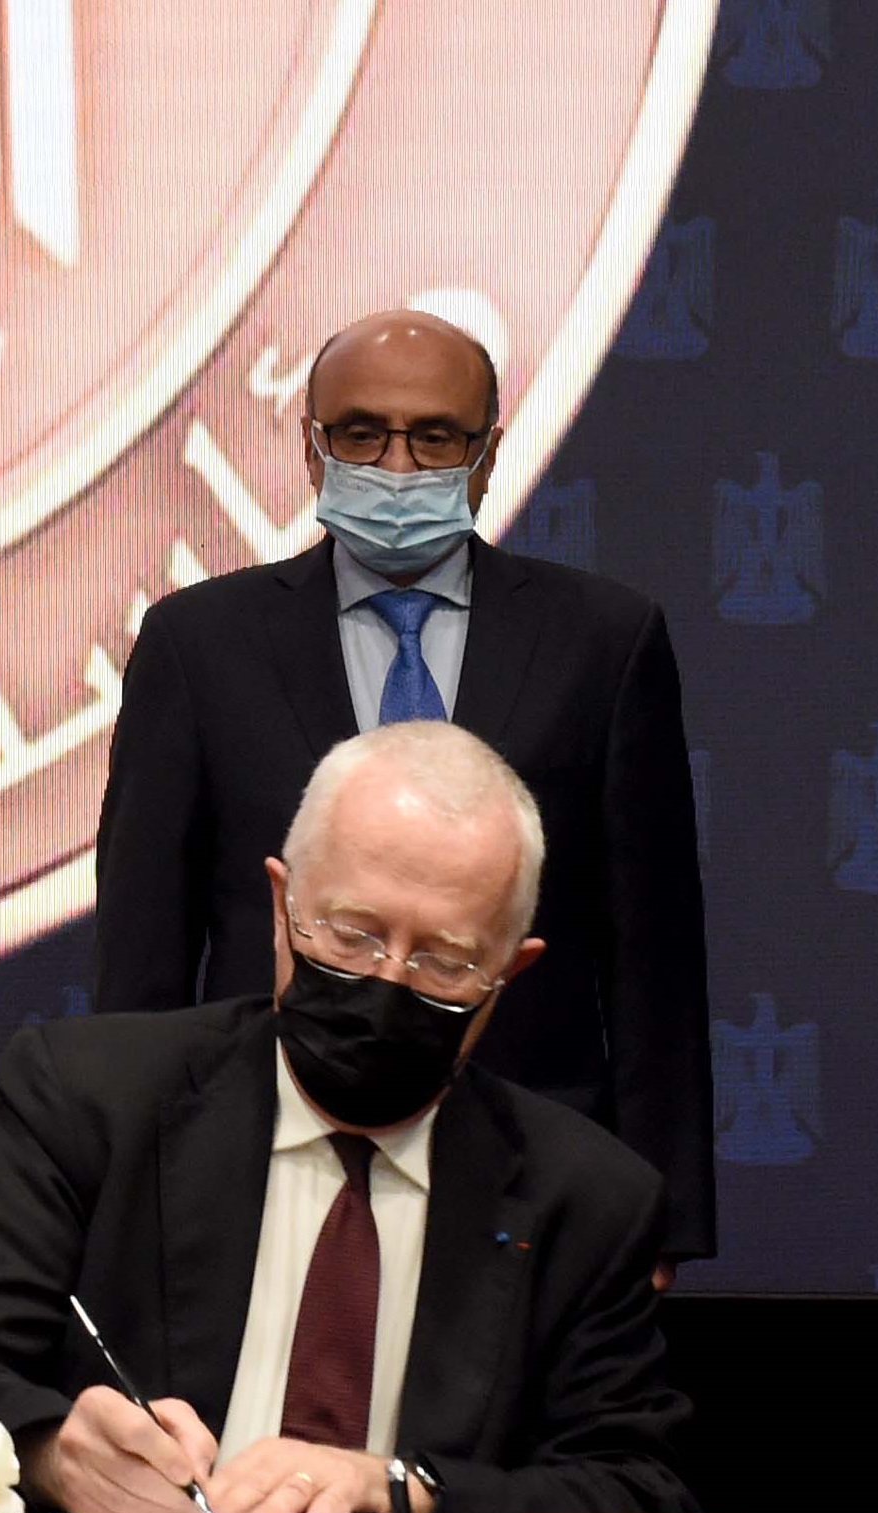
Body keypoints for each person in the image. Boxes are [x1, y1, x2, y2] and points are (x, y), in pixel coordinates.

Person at [0, 723, 694, 1513]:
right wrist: (53, 1455)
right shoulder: (92, 1099)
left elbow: (638, 1491)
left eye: (444, 960)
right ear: (279, 904)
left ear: (510, 971)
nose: (386, 981)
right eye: (351, 934)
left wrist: (407, 1487)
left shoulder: (586, 1199)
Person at [92, 310, 714, 1276]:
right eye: (359, 433)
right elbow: (144, 950)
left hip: (530, 1164)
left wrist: (657, 1213)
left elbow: (651, 954)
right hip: (255, 1155)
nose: (394, 466)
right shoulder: (197, 643)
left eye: (432, 438)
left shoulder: (602, 640)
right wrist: (126, 1184)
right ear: (311, 450)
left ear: (485, 456)